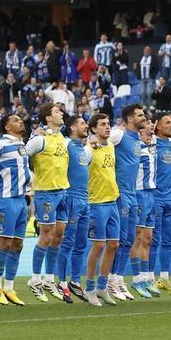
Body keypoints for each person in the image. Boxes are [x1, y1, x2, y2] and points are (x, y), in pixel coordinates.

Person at [0, 115, 32, 306]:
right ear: (7, 127)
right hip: (6, 200)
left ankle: (9, 287)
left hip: (20, 200)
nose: (21, 122)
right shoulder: (1, 144)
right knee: (4, 243)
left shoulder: (21, 145)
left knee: (18, 245)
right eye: (17, 120)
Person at [26, 103, 72, 303]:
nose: (61, 113)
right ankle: (35, 279)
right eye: (56, 111)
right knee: (46, 235)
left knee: (58, 236)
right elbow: (22, 154)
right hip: (46, 193)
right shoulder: (40, 139)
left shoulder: (61, 137)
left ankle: (49, 279)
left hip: (63, 191)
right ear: (48, 118)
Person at [107, 104, 146, 300]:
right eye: (140, 115)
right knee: (120, 239)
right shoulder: (119, 134)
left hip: (133, 194)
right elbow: (96, 140)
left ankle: (119, 279)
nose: (144, 118)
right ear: (130, 119)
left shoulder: (136, 138)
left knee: (129, 239)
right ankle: (110, 280)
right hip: (120, 193)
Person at [85, 113, 120, 306]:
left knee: (113, 245)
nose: (107, 127)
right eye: (103, 125)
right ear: (93, 129)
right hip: (96, 202)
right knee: (98, 245)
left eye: (108, 123)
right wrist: (89, 141)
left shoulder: (111, 145)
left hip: (112, 201)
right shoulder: (89, 149)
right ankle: (89, 288)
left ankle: (102, 286)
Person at [55, 116, 92, 299]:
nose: (86, 126)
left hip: (85, 199)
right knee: (68, 242)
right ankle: (61, 282)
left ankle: (75, 281)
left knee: (81, 244)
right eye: (83, 123)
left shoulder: (83, 149)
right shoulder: (66, 144)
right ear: (72, 127)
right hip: (71, 198)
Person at [151, 113, 171, 295]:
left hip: (170, 197)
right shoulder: (151, 143)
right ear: (157, 126)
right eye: (167, 122)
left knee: (169, 239)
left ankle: (163, 277)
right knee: (154, 239)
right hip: (155, 197)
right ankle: (148, 278)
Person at [130, 118, 160, 298]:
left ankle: (148, 277)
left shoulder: (153, 144)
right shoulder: (134, 146)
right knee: (138, 237)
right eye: (147, 124)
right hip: (139, 194)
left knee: (148, 238)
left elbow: (160, 135)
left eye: (151, 124)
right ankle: (137, 278)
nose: (151, 126)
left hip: (151, 194)